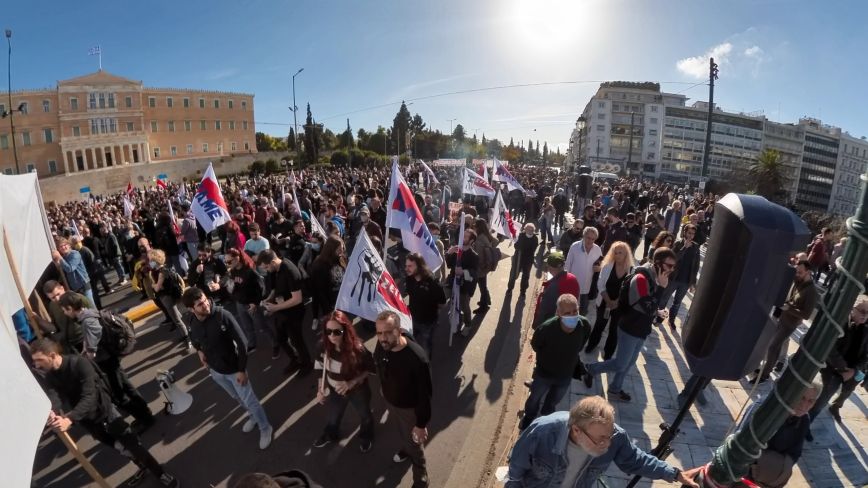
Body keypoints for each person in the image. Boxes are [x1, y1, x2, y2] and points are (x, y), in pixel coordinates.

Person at [30, 338, 180, 487]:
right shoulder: (50, 376)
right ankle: (142, 467)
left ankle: (159, 473)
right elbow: (54, 396)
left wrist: (69, 419)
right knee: (121, 449)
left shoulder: (79, 364)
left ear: (52, 355)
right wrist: (52, 411)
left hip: (106, 413)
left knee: (134, 446)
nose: (37, 365)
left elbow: (89, 396)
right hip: (89, 422)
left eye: (39, 360)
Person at [507, 396, 700, 487]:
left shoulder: (614, 436)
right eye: (600, 438)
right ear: (576, 430)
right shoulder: (543, 431)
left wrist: (675, 474)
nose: (607, 443)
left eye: (609, 435)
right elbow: (516, 469)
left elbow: (637, 460)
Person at [183, 287, 274, 450]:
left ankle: (265, 428)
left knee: (250, 401)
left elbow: (242, 342)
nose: (205, 305)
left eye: (204, 299)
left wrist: (241, 370)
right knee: (237, 399)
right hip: (216, 372)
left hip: (234, 370)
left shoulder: (222, 315)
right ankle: (253, 418)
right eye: (199, 304)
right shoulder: (191, 320)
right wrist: (199, 352)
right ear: (191, 309)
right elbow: (194, 339)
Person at [582, 248, 676, 402]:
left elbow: (649, 306)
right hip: (630, 328)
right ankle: (590, 369)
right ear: (658, 263)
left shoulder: (656, 277)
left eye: (673, 266)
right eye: (669, 266)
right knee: (620, 364)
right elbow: (646, 306)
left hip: (642, 328)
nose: (671, 270)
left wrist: (657, 311)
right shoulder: (640, 278)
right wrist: (661, 289)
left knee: (629, 362)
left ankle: (614, 389)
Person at [59, 292, 156, 433]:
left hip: (107, 361)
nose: (64, 313)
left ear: (70, 308)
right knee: (127, 387)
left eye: (64, 310)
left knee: (119, 395)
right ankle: (145, 413)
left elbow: (93, 343)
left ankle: (145, 419)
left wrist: (85, 357)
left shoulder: (87, 321)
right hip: (110, 358)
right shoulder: (88, 313)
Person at [374, 310, 433, 488]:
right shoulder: (384, 344)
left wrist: (421, 424)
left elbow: (425, 395)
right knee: (403, 433)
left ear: (399, 331)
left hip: (409, 409)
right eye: (379, 333)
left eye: (388, 332)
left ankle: (420, 474)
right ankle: (407, 448)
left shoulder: (417, 359)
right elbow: (378, 362)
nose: (382, 338)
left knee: (414, 441)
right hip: (391, 400)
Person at [520, 294, 590, 430]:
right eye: (567, 313)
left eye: (575, 311)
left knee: (553, 401)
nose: (572, 316)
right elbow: (536, 345)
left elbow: (581, 345)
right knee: (534, 399)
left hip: (565, 376)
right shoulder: (546, 329)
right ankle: (529, 417)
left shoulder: (584, 325)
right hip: (543, 374)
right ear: (558, 313)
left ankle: (546, 418)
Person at [312, 310, 376, 452]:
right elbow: (319, 366)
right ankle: (330, 435)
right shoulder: (322, 345)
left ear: (345, 330)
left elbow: (372, 369)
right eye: (328, 331)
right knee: (333, 417)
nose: (332, 336)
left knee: (365, 415)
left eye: (337, 332)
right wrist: (320, 389)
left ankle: (366, 436)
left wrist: (352, 382)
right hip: (335, 390)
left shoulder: (358, 349)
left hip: (358, 391)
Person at [751, 260, 818, 384]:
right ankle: (766, 370)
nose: (797, 274)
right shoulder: (797, 281)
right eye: (796, 271)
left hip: (790, 324)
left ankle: (764, 375)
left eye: (800, 272)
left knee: (772, 347)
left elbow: (806, 315)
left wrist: (789, 308)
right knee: (774, 347)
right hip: (781, 318)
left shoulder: (811, 292)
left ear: (808, 272)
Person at [744, 382, 821, 488]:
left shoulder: (804, 419)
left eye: (810, 401)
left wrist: (776, 470)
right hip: (743, 472)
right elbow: (743, 445)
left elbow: (795, 453)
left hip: (769, 479)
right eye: (801, 397)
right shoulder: (764, 407)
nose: (804, 405)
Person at [808, 295, 868, 425]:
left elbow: (865, 355)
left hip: (852, 372)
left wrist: (854, 370)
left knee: (844, 393)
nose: (865, 315)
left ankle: (834, 408)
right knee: (821, 400)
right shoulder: (840, 324)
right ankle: (805, 423)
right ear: (853, 309)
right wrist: (843, 369)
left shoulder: (866, 330)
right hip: (833, 370)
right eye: (863, 311)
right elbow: (830, 349)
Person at [257, 249, 312, 376]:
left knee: (297, 340)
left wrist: (276, 308)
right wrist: (269, 299)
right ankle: (294, 359)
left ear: (272, 262)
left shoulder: (290, 271)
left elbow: (297, 299)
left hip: (293, 313)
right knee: (281, 338)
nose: (266, 270)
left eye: (266, 267)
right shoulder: (275, 270)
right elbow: (275, 289)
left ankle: (306, 364)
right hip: (282, 311)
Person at [585, 241, 635, 360]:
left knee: (614, 329)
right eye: (615, 252)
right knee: (599, 325)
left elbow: (629, 290)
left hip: (620, 305)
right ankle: (591, 345)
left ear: (626, 254)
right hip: (604, 302)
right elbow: (600, 284)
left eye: (620, 253)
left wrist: (616, 302)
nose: (617, 255)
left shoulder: (632, 270)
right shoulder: (607, 266)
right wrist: (608, 301)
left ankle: (608, 353)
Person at [149, 249, 194, 352]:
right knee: (178, 315)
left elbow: (157, 288)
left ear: (156, 260)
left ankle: (188, 338)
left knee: (176, 319)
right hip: (170, 296)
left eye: (151, 260)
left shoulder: (161, 273)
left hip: (167, 298)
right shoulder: (166, 269)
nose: (150, 262)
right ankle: (188, 330)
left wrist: (152, 285)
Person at [659, 223, 701, 332]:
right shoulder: (677, 244)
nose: (691, 235)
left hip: (685, 281)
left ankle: (671, 320)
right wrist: (684, 248)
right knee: (664, 298)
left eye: (693, 234)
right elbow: (673, 260)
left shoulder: (696, 247)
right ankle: (659, 317)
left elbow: (696, 266)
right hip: (673, 278)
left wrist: (693, 283)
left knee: (677, 302)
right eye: (689, 233)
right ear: (684, 232)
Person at [404, 253, 446, 359]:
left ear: (419, 266)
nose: (407, 269)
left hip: (428, 322)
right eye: (406, 266)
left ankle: (425, 363)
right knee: (412, 341)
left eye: (410, 266)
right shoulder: (409, 278)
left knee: (426, 345)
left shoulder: (432, 282)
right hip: (412, 318)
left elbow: (442, 302)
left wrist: (433, 311)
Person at [38, 280, 90, 354]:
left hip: (85, 338)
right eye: (53, 297)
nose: (57, 299)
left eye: (58, 294)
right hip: (70, 344)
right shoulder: (52, 306)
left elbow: (93, 316)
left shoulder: (78, 298)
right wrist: (38, 319)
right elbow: (55, 327)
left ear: (62, 288)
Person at [532, 251, 580, 330]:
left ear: (550, 268)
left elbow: (544, 310)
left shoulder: (553, 286)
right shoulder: (573, 278)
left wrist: (537, 327)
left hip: (554, 327)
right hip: (571, 323)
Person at [446, 227, 479, 337]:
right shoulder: (456, 250)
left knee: (465, 307)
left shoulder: (474, 255)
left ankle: (468, 325)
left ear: (471, 241)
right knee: (454, 304)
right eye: (462, 235)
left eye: (465, 237)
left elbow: (474, 273)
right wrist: (449, 253)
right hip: (453, 283)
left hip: (465, 287)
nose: (462, 238)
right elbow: (449, 265)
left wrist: (464, 272)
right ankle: (456, 322)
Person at [308, 235, 346, 324]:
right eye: (339, 249)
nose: (342, 252)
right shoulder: (320, 266)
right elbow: (320, 292)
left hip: (341, 301)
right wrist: (329, 310)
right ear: (331, 250)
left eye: (342, 248)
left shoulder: (341, 258)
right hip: (331, 305)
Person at [565, 226, 602, 316]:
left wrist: (599, 268)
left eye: (593, 239)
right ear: (583, 236)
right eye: (588, 238)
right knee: (570, 310)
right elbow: (567, 265)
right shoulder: (575, 246)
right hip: (573, 285)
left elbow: (602, 263)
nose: (590, 241)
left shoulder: (597, 249)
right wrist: (566, 281)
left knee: (583, 311)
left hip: (587, 287)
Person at [51, 237, 94, 306]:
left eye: (65, 245)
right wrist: (57, 263)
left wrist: (60, 257)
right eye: (61, 246)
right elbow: (63, 270)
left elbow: (70, 268)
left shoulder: (75, 254)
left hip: (83, 285)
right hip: (75, 288)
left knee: (90, 306)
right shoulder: (64, 257)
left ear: (69, 245)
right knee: (84, 308)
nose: (63, 247)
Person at [472, 218, 498, 313]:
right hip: (486, 265)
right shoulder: (487, 236)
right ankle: (486, 300)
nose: (473, 228)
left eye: (475, 226)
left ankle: (483, 306)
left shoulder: (479, 239)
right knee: (483, 285)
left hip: (480, 266)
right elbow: (496, 241)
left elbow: (479, 256)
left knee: (482, 286)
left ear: (478, 227)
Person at [507, 223, 539, 296]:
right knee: (513, 274)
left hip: (528, 260)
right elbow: (516, 246)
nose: (530, 231)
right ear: (525, 229)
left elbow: (532, 250)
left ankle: (523, 291)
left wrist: (521, 247)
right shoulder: (520, 235)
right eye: (528, 229)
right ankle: (510, 288)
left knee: (526, 276)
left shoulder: (535, 239)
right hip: (518, 257)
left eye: (532, 230)